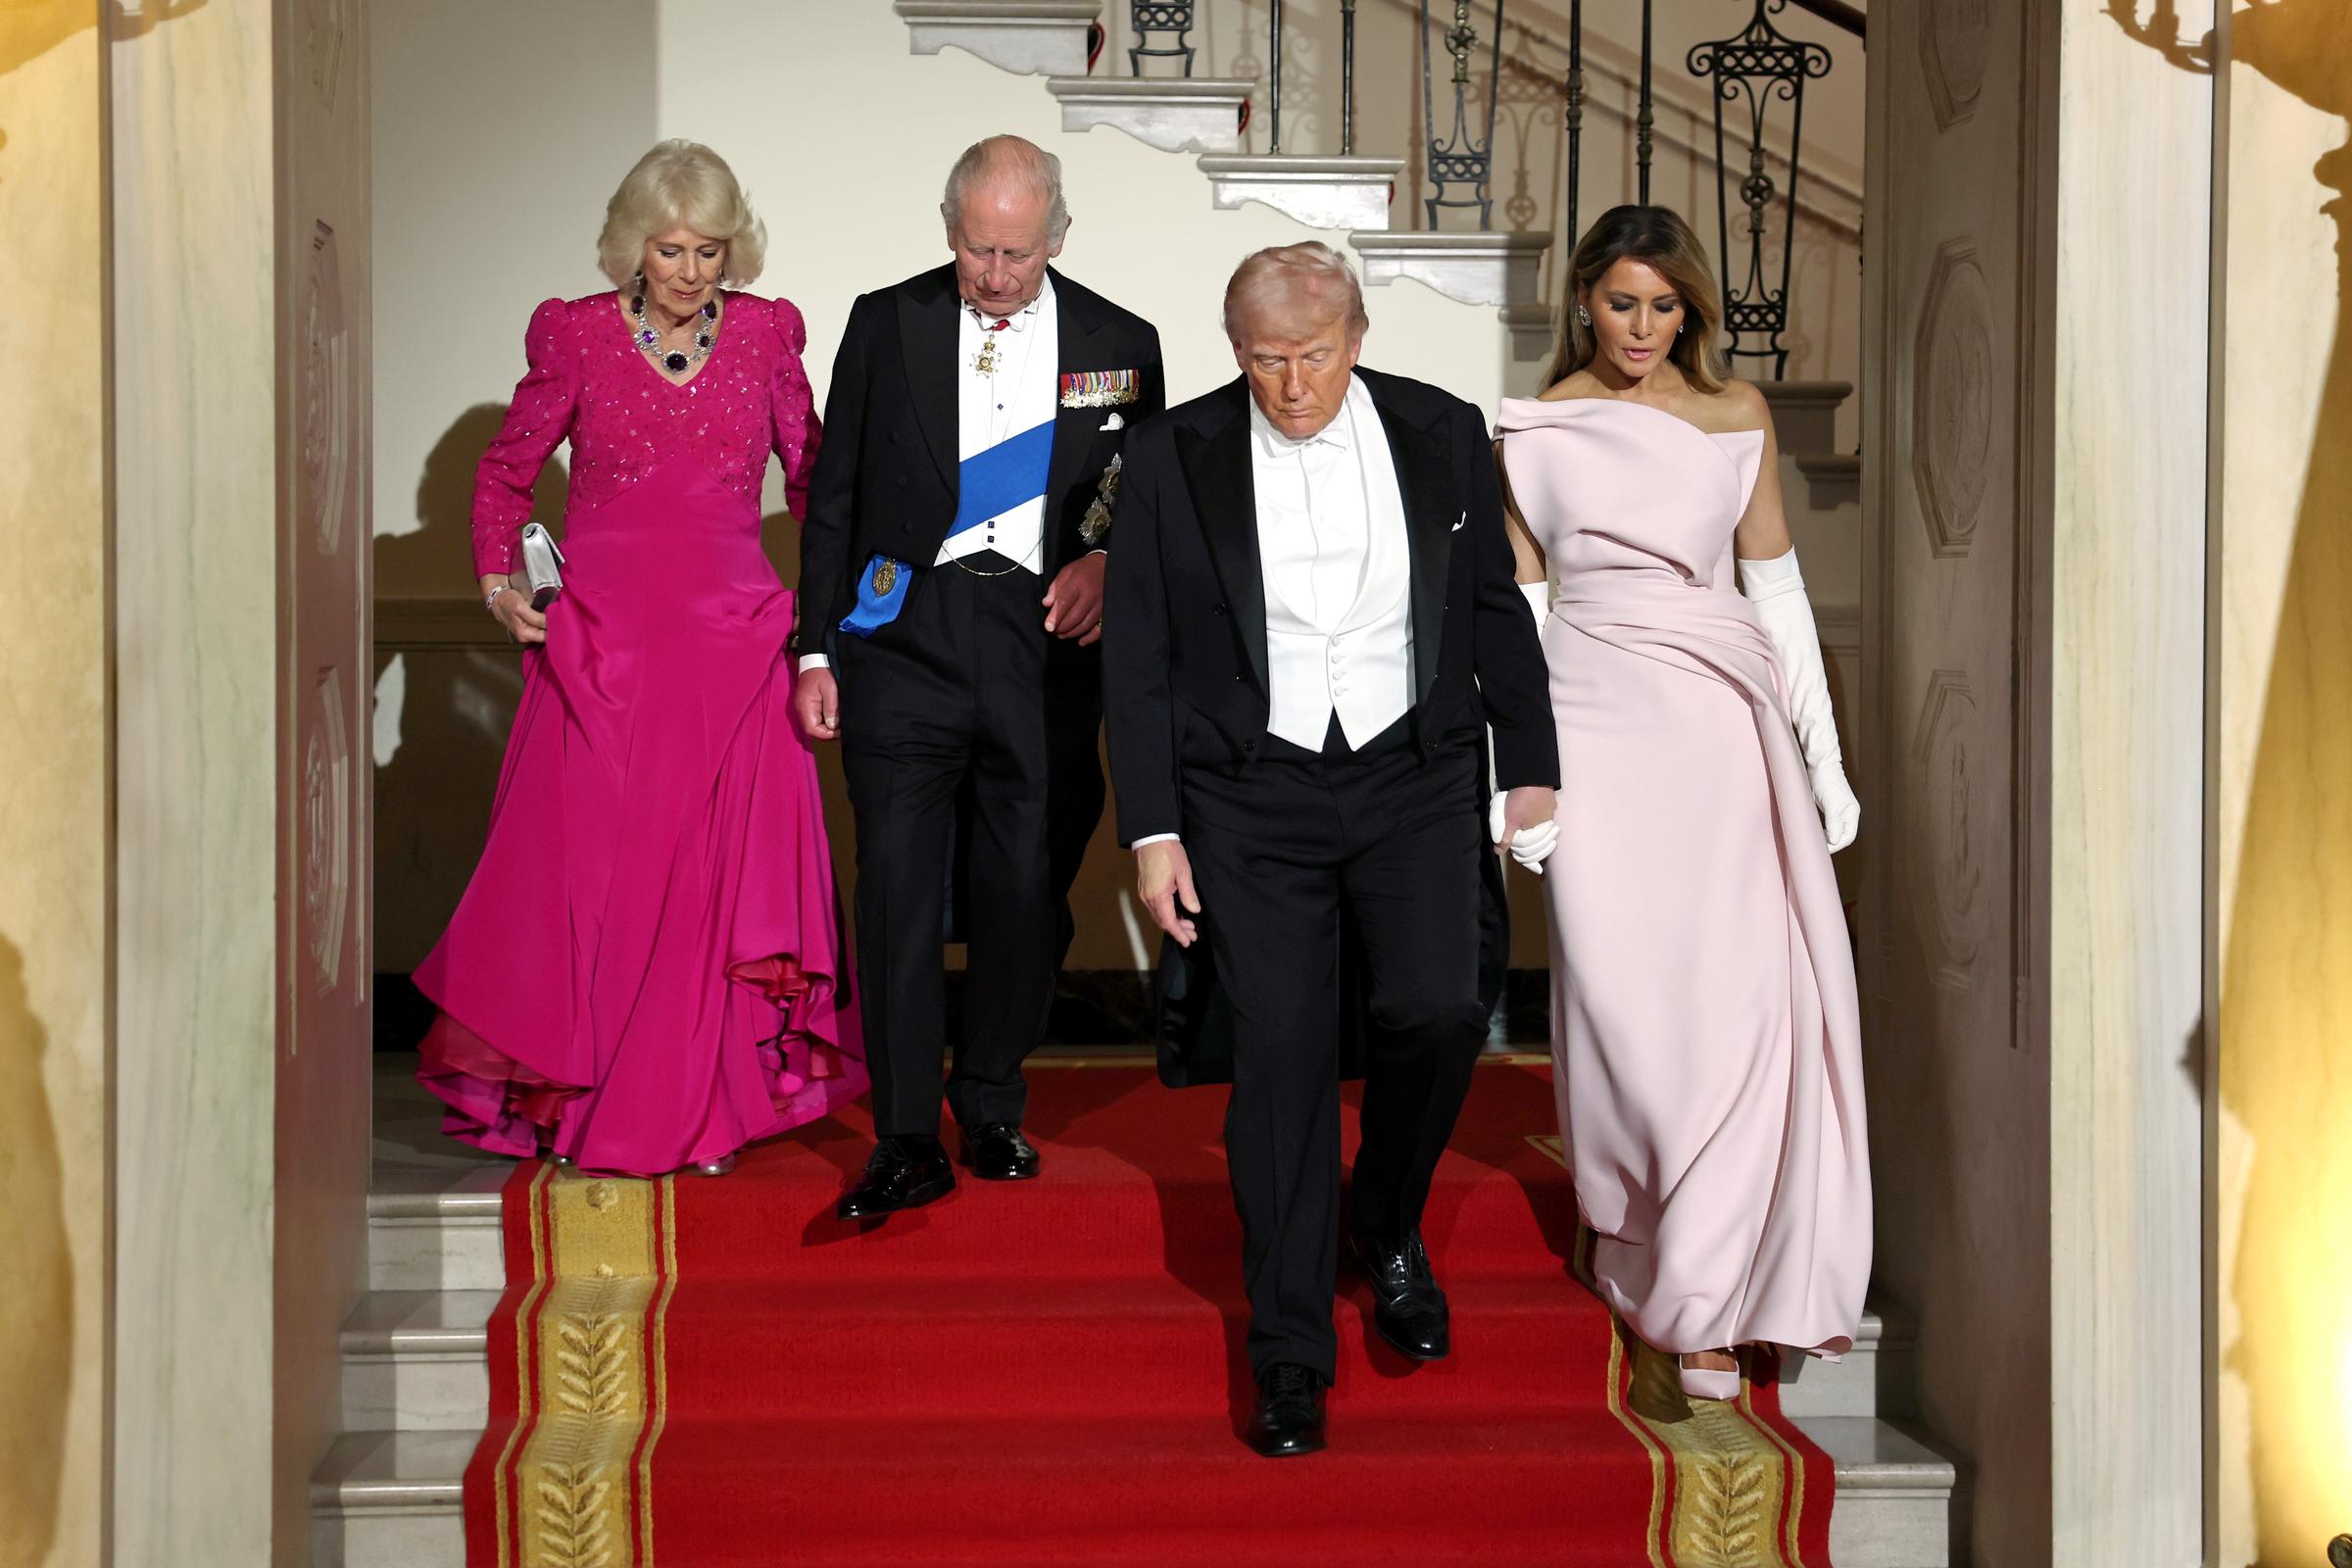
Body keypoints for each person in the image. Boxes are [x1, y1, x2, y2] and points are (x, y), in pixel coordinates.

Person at [1104, 243, 1560, 1457]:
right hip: (1250, 793)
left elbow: (1488, 605)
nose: (1293, 384)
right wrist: (1154, 832)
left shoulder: (1442, 428)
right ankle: (1291, 1353)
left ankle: (1389, 1216)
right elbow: (1136, 653)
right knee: (1283, 1063)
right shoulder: (1168, 453)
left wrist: (1532, 763)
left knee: (1438, 1009)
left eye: (1312, 357)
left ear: (1356, 337)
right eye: (1265, 361)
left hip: (1411, 770)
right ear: (1234, 348)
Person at [412, 140, 864, 1178]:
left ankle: (705, 1106)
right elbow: (505, 475)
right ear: (632, 245)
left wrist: (829, 618)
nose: (692, 272)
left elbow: (818, 483)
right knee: (600, 887)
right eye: (670, 250)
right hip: (603, 648)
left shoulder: (763, 338)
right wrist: (500, 586)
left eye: (710, 250)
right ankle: (593, 1101)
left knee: (712, 896)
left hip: (736, 646)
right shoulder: (572, 337)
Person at [1495, 204, 1871, 1400]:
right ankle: (1644, 1236)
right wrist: (1520, 773)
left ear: (1692, 310)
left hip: (1718, 735)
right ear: (1585, 304)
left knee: (1740, 1013)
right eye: (1621, 303)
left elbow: (1778, 594)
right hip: (1595, 729)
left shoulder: (1736, 416)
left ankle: (1715, 1294)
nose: (1643, 327)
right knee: (1628, 1018)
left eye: (1665, 306)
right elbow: (1526, 619)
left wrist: (1824, 756)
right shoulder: (1532, 427)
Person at [794, 135, 1163, 1220]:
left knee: (1021, 884)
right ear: (949, 227)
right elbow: (836, 491)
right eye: (975, 248)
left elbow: (1134, 496)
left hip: (1043, 643)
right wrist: (819, 645)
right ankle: (907, 1133)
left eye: (1016, 251)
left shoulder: (1119, 341)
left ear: (1054, 236)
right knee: (899, 888)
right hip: (903, 630)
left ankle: (992, 1098)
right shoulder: (886, 320)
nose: (995, 274)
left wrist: (1105, 561)